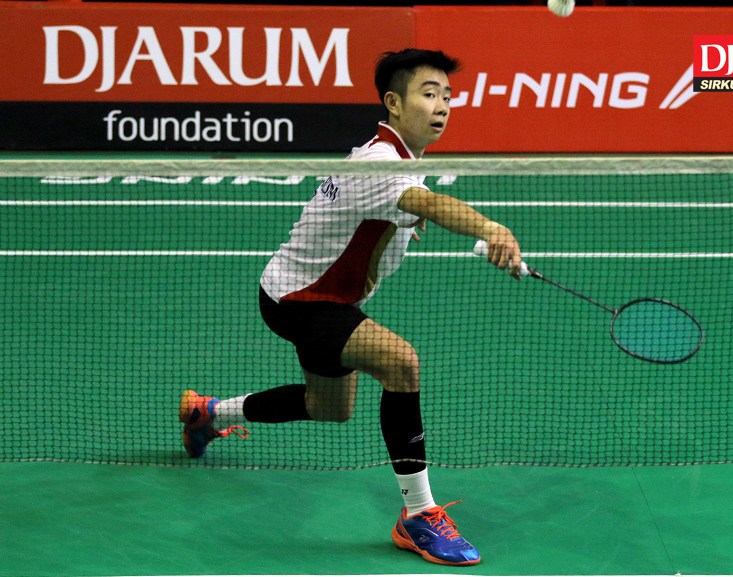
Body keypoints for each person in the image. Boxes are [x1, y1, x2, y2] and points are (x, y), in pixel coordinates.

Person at [179, 49, 522, 567]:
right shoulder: (380, 162)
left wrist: (402, 225)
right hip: (301, 299)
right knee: (401, 362)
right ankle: (418, 515)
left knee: (328, 408)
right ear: (394, 102)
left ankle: (206, 412)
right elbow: (428, 203)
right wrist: (492, 229)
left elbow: (395, 206)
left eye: (447, 96)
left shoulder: (394, 160)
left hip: (312, 296)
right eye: (429, 93)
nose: (442, 105)